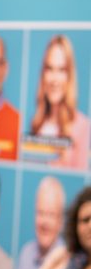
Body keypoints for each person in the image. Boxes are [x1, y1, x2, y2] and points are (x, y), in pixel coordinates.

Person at [30, 34, 91, 170]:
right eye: (50, 69)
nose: (54, 79)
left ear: (69, 75)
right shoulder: (36, 125)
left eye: (61, 70)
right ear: (43, 74)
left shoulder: (83, 127)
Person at [16, 176, 66, 269]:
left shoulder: (68, 261)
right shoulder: (26, 253)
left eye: (51, 215)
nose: (45, 222)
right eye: (40, 213)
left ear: (60, 221)